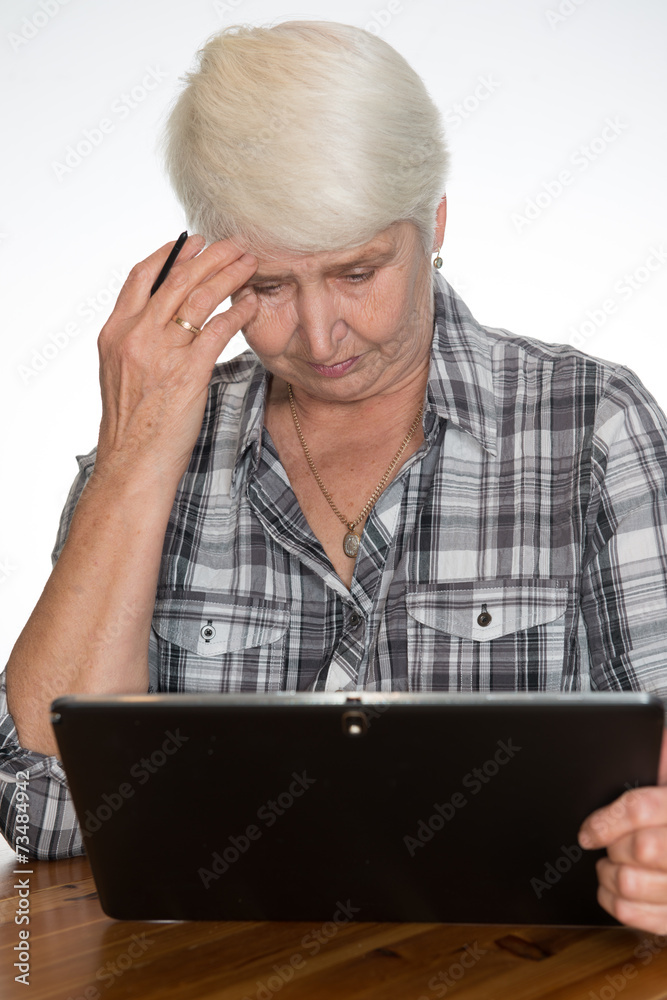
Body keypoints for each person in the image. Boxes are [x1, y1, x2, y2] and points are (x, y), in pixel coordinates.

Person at [2, 20, 667, 933]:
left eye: (357, 272)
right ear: (200, 263)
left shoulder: (592, 425)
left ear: (431, 222)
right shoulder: (154, 446)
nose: (320, 339)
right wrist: (134, 453)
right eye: (268, 287)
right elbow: (46, 813)